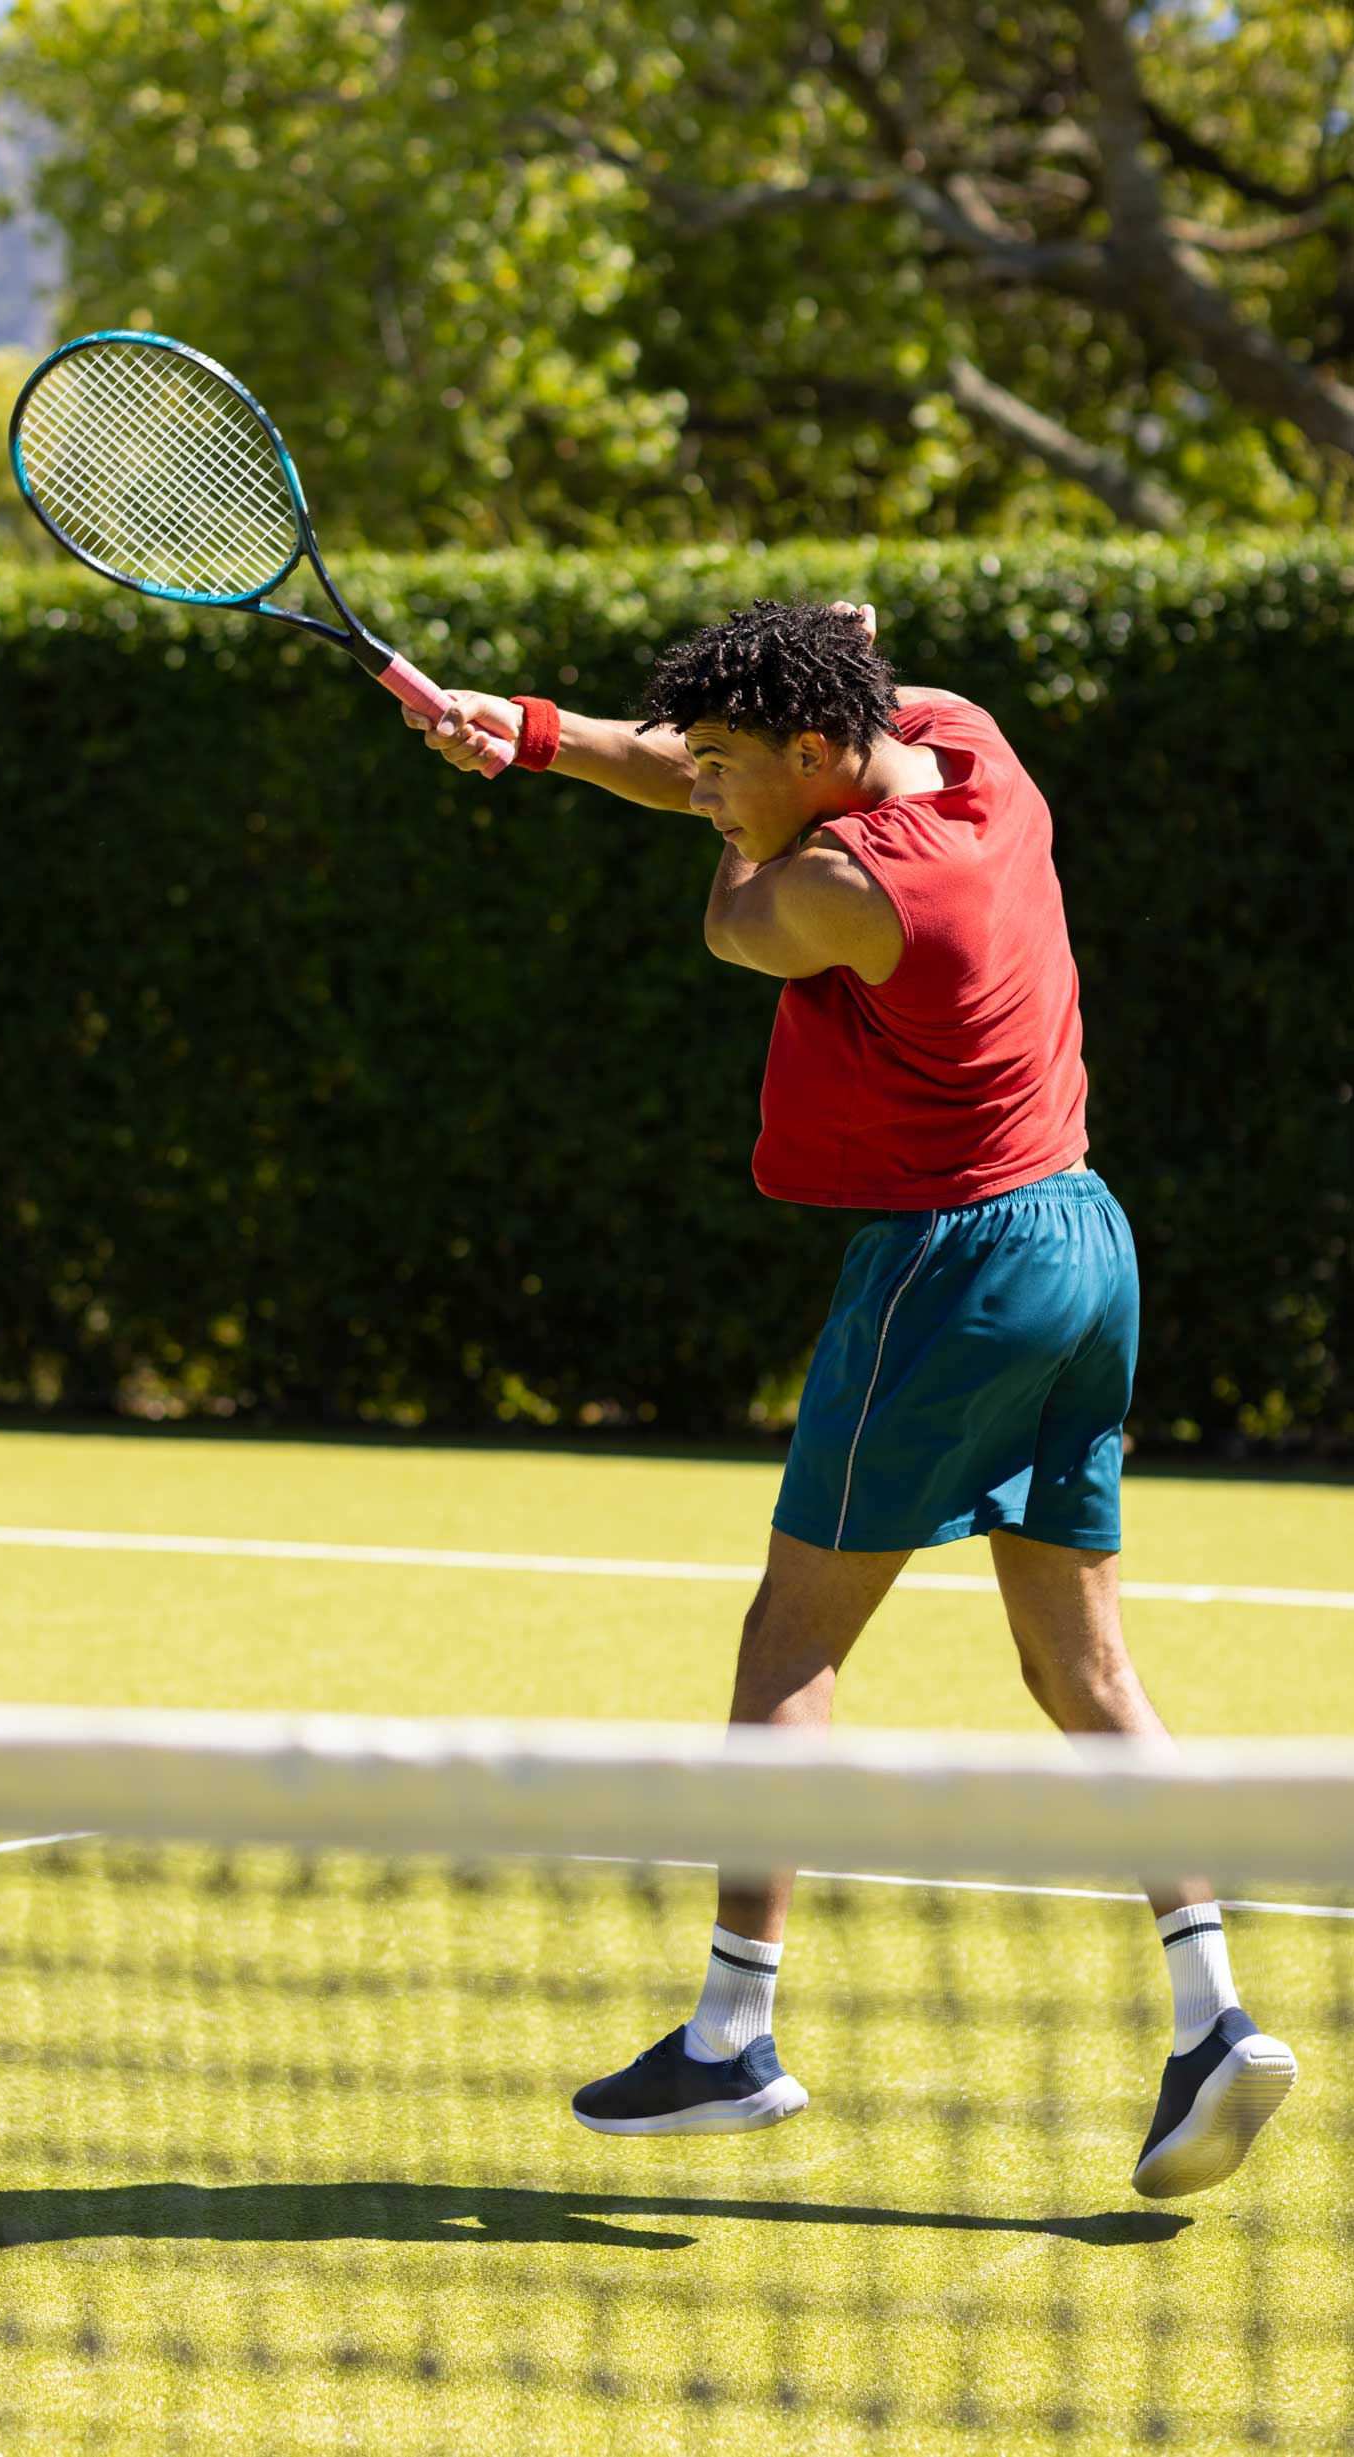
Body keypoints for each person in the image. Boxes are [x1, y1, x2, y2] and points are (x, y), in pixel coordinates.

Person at [403, 599, 1295, 2198]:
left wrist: (707, 802)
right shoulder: (964, 741)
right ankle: (1215, 2011)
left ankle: (732, 2031)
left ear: (819, 755)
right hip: (1089, 1242)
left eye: (736, 766)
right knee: (1077, 1660)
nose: (710, 786)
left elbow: (733, 907)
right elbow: (704, 766)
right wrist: (527, 731)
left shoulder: (837, 886)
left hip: (953, 1265)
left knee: (790, 1639)